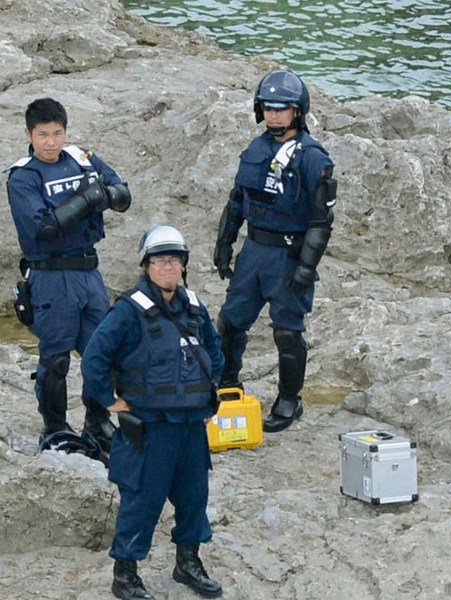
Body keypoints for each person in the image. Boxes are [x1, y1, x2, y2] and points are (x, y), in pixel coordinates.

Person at [81, 226, 224, 599]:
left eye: (174, 260)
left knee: (194, 498)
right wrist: (108, 401)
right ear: (146, 266)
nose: (168, 267)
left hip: (191, 427)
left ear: (183, 266)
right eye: (160, 260)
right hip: (149, 429)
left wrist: (207, 396)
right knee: (141, 501)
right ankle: (125, 574)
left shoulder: (194, 306)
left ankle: (187, 563)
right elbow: (95, 357)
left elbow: (215, 350)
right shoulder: (128, 311)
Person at [213, 69, 336, 433]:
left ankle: (289, 399)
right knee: (231, 323)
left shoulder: (312, 157)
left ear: (298, 111)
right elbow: (237, 200)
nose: (274, 115)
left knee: (287, 331)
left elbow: (321, 219)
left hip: (287, 255)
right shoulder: (255, 148)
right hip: (254, 250)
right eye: (268, 108)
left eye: (283, 109)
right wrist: (225, 242)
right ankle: (227, 384)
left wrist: (306, 266)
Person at [5, 97, 131, 448]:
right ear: (29, 134)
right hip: (49, 275)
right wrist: (88, 200)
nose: (51, 142)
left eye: (57, 133)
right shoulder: (23, 176)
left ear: (65, 131)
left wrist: (102, 193)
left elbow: (123, 195)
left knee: (103, 352)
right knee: (56, 358)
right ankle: (55, 427)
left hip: (88, 270)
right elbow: (42, 228)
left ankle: (97, 421)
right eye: (43, 134)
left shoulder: (81, 158)